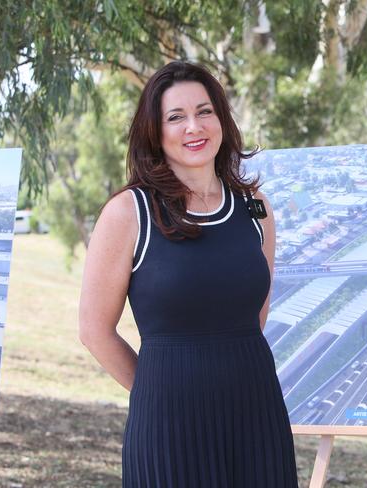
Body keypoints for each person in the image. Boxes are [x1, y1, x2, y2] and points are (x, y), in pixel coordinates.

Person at [79, 61, 298, 487]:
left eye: (204, 111)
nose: (193, 127)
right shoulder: (128, 213)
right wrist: (156, 396)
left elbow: (256, 315)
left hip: (257, 413)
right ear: (154, 132)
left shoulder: (256, 207)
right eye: (175, 117)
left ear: (221, 119)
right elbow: (93, 330)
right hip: (168, 426)